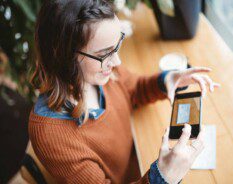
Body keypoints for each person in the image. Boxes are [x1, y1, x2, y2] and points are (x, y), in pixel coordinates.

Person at [29, 0, 220, 183]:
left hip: (139, 158)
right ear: (63, 56)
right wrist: (163, 177)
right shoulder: (52, 136)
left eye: (117, 45)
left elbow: (134, 89)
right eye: (104, 54)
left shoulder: (98, 72)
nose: (117, 62)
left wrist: (166, 80)